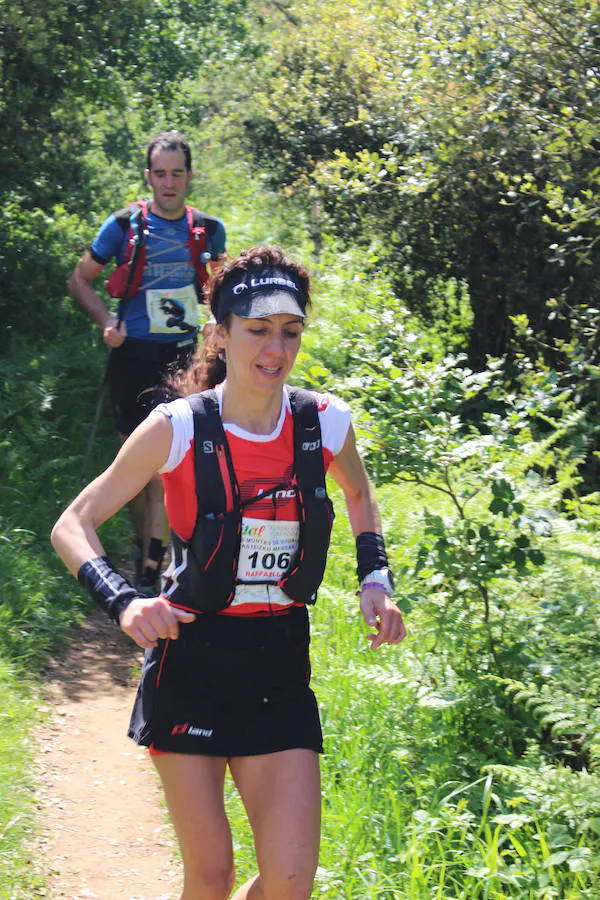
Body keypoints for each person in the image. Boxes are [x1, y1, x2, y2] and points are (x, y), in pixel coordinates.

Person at [52, 246, 406, 900]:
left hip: (279, 664)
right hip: (192, 665)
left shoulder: (324, 422)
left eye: (291, 331)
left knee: (290, 884)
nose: (276, 348)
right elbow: (72, 524)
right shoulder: (177, 427)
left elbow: (359, 496)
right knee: (209, 877)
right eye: (259, 330)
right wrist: (125, 603)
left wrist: (375, 579)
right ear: (221, 334)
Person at [68, 130, 227, 594]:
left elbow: (219, 291)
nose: (169, 182)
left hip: (181, 360)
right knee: (133, 470)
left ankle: (151, 574)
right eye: (160, 173)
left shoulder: (208, 231)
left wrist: (216, 326)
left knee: (162, 467)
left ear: (190, 176)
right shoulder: (122, 226)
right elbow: (80, 280)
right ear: (149, 177)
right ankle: (145, 547)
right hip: (131, 357)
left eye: (177, 173)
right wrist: (105, 320)